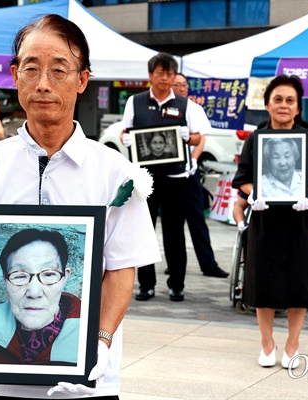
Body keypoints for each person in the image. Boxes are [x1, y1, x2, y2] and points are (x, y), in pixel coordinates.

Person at [0, 14, 160, 399]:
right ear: (14, 75)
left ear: (83, 79)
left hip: (86, 381)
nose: (43, 84)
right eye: (32, 69)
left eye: (59, 70)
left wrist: (101, 343)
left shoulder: (115, 173)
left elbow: (122, 272)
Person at [232, 74, 308, 369]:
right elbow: (243, 179)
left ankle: (292, 342)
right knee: (264, 283)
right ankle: (267, 342)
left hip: (299, 222)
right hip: (265, 221)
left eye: (290, 100)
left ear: (298, 107)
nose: (284, 105)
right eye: (278, 99)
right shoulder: (255, 140)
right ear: (267, 104)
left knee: (298, 283)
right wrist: (253, 195)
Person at [120, 52, 202, 302]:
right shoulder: (135, 101)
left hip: (176, 178)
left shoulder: (184, 105)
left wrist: (189, 136)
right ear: (150, 75)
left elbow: (198, 137)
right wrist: (125, 138)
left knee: (175, 233)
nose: (165, 78)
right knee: (144, 231)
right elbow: (125, 131)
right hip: (145, 179)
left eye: (169, 73)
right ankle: (146, 285)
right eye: (160, 73)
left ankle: (177, 284)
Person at [0, 229, 81, 365]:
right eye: (19, 276)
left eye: (49, 274)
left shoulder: (88, 330)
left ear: (65, 277)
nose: (34, 293)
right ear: (5, 280)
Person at [171, 72, 228, 278]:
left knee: (197, 220)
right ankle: (174, 264)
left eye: (184, 85)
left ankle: (208, 264)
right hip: (169, 175)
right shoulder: (164, 107)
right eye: (177, 85)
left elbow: (200, 138)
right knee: (173, 224)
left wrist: (194, 160)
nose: (181, 88)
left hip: (189, 172)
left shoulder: (193, 108)